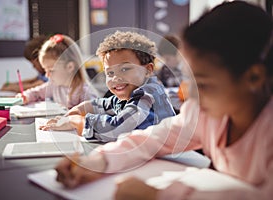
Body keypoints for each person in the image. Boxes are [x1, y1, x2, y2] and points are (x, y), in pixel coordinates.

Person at [54, 1, 273, 199]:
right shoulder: (203, 113)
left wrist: (158, 195)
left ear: (253, 77)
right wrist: (99, 161)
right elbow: (154, 138)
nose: (192, 95)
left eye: (204, 84)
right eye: (190, 79)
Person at [40, 31, 176, 142]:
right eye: (110, 73)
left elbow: (117, 128)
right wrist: (82, 108)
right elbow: (106, 104)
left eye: (125, 69)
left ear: (148, 70)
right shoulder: (128, 93)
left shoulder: (148, 95)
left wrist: (79, 122)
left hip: (171, 162)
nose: (116, 78)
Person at [16, 34, 98, 109]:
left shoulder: (84, 93)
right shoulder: (54, 85)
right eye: (45, 70)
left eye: (51, 70)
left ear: (70, 67)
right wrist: (25, 97)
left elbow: (95, 116)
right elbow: (36, 93)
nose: (47, 75)